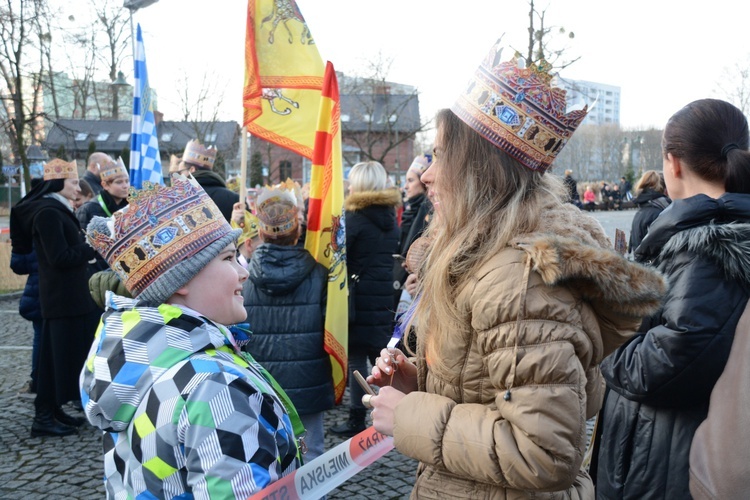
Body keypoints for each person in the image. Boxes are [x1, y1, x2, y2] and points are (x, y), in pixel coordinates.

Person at [364, 42, 667, 498]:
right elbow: (512, 388)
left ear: (477, 169)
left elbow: (544, 452)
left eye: (441, 155)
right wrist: (419, 382)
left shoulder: (515, 279)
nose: (426, 174)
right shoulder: (491, 258)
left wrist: (410, 416)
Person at [80, 175, 302, 498]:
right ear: (181, 279)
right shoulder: (215, 389)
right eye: (228, 258)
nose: (244, 271)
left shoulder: (142, 365)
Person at [594, 98, 750, 498]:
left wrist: (603, 330)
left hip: (668, 466)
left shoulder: (710, 249)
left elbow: (662, 367)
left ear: (673, 162)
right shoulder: (708, 237)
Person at [241, 181, 333, 463]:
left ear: (259, 232)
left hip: (260, 382)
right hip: (307, 381)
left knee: (263, 452)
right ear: (298, 231)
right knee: (311, 451)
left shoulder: (241, 278)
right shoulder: (321, 274)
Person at [10, 158, 101, 437]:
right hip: (62, 299)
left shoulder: (55, 209)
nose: (77, 187)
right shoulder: (48, 213)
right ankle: (43, 416)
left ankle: (53, 410)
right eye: (73, 182)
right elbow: (59, 257)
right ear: (58, 183)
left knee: (57, 359)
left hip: (67, 298)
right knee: (54, 361)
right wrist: (91, 247)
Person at [330, 161, 400, 437]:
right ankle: (393, 414)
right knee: (381, 358)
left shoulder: (354, 219)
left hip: (358, 298)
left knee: (358, 359)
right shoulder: (389, 217)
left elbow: (340, 258)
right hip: (383, 297)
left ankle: (357, 419)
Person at [393, 153, 433, 312]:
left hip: (417, 293)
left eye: (411, 180)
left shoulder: (428, 211)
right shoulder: (410, 211)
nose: (405, 187)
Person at [176, 139, 238, 221]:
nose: (178, 177)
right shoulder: (234, 199)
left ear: (192, 170)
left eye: (180, 172)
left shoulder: (181, 198)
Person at [628, 169, 670, 253]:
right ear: (665, 189)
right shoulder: (660, 213)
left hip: (642, 263)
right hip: (653, 264)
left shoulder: (642, 210)